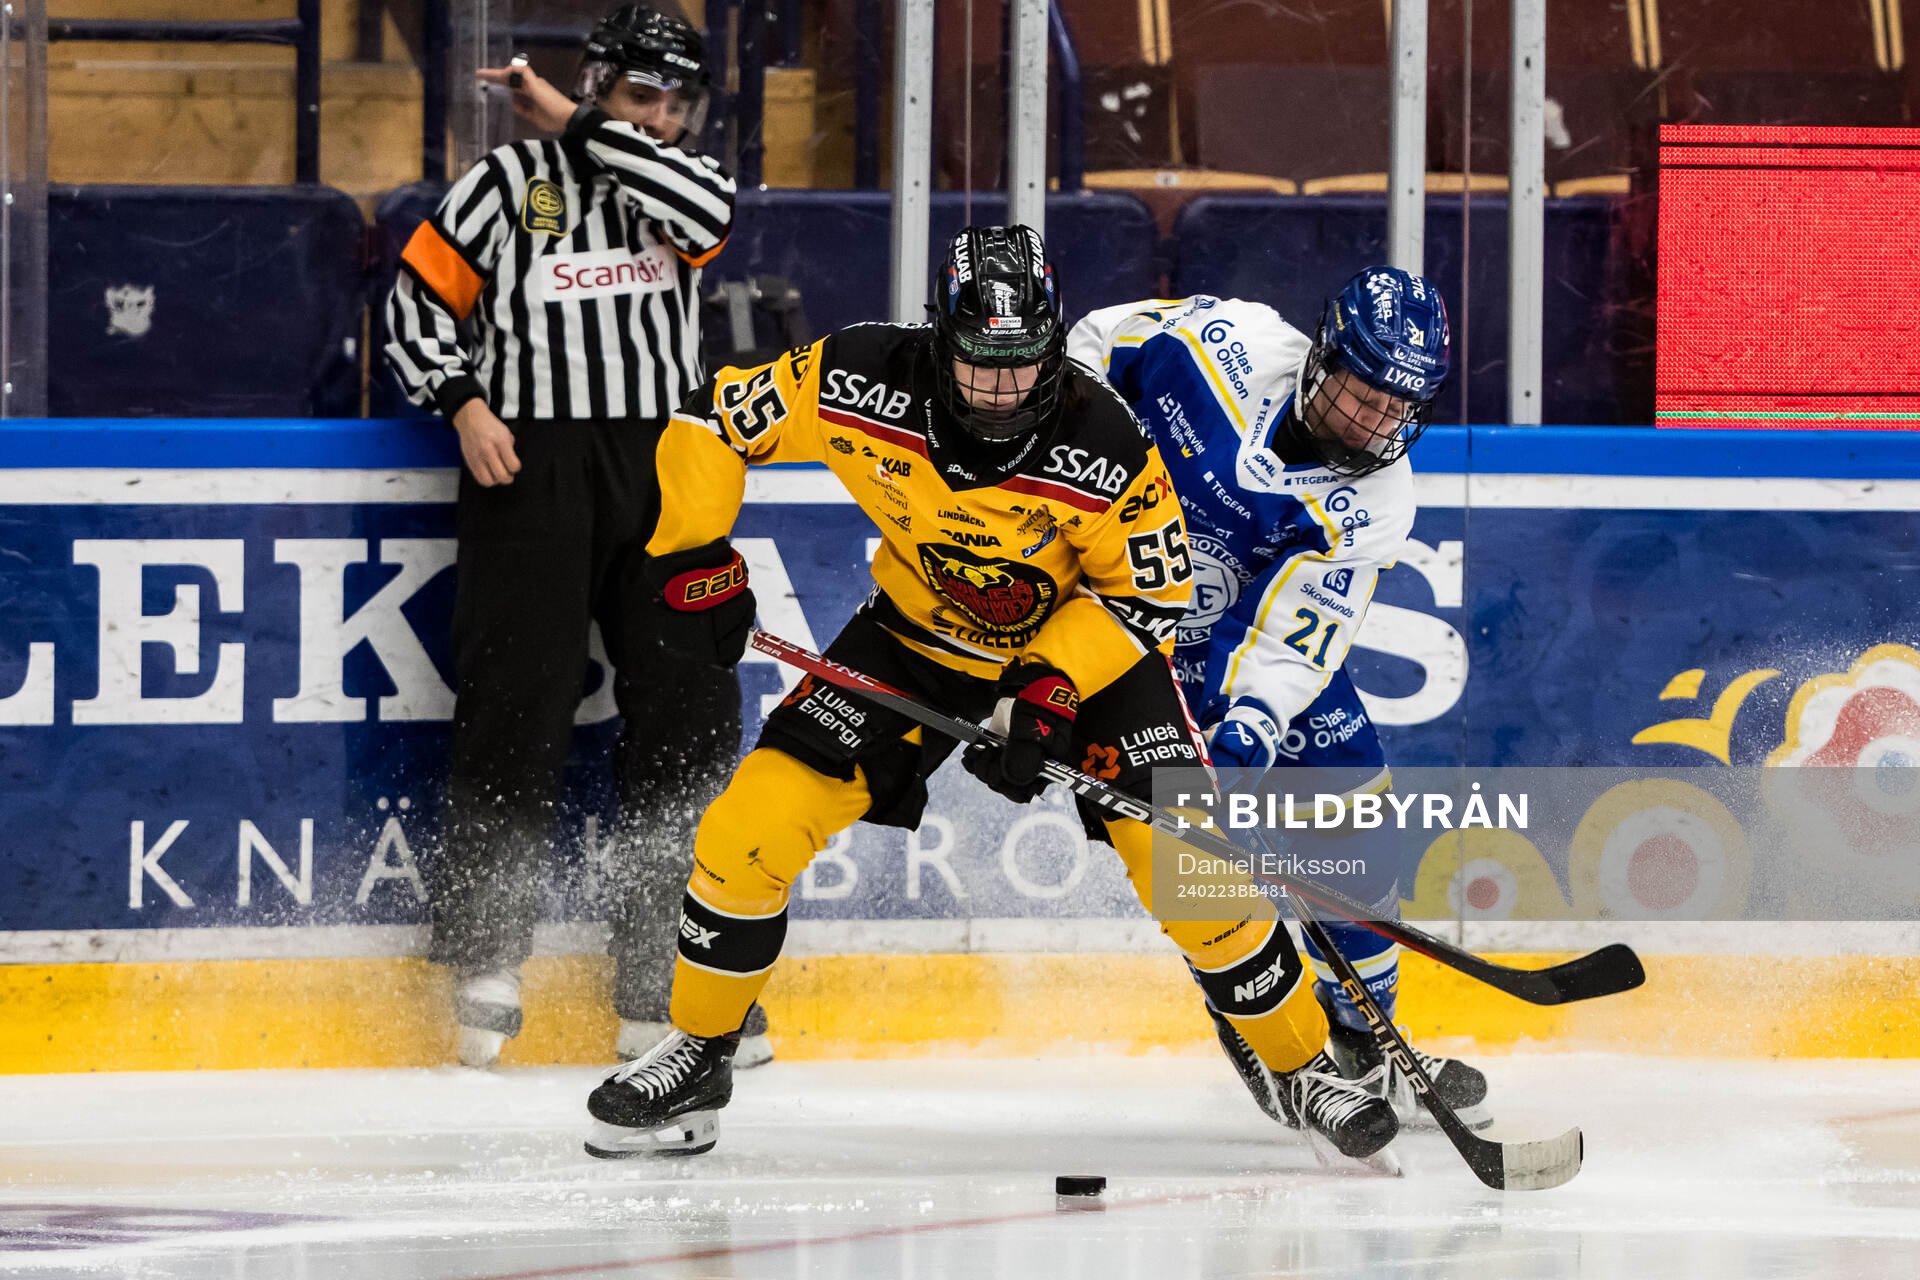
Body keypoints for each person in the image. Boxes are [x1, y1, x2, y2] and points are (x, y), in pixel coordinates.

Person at [580, 225, 1400, 1164]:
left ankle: (1303, 1067)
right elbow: (715, 417)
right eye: (980, 365)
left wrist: (1049, 686)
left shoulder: (1105, 438)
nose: (1004, 391)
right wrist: (691, 551)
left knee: (1192, 864)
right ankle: (699, 1054)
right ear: (939, 342)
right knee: (747, 829)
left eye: (1025, 365)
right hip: (915, 640)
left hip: (1084, 661)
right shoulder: (856, 373)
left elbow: (1151, 597)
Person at [383, 3, 769, 1070]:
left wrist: (576, 120)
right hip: (532, 463)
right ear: (600, 82)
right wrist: (461, 401)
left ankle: (667, 976)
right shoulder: (506, 183)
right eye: (641, 95)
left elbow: (704, 218)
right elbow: (414, 306)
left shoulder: (683, 182)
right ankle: (485, 961)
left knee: (688, 710)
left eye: (676, 103)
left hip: (667, 463)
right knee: (516, 698)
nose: (660, 118)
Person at [1067, 269, 1491, 1129]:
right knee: (1198, 855)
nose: (1374, 423)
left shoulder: (1380, 498)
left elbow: (1299, 632)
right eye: (1362, 395)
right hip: (1122, 631)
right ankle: (1272, 1035)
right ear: (1321, 359)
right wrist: (1075, 463)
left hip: (1248, 649)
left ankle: (1368, 1038)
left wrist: (1251, 727)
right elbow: (1093, 344)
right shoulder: (1224, 342)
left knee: (1352, 820)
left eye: (1397, 408)